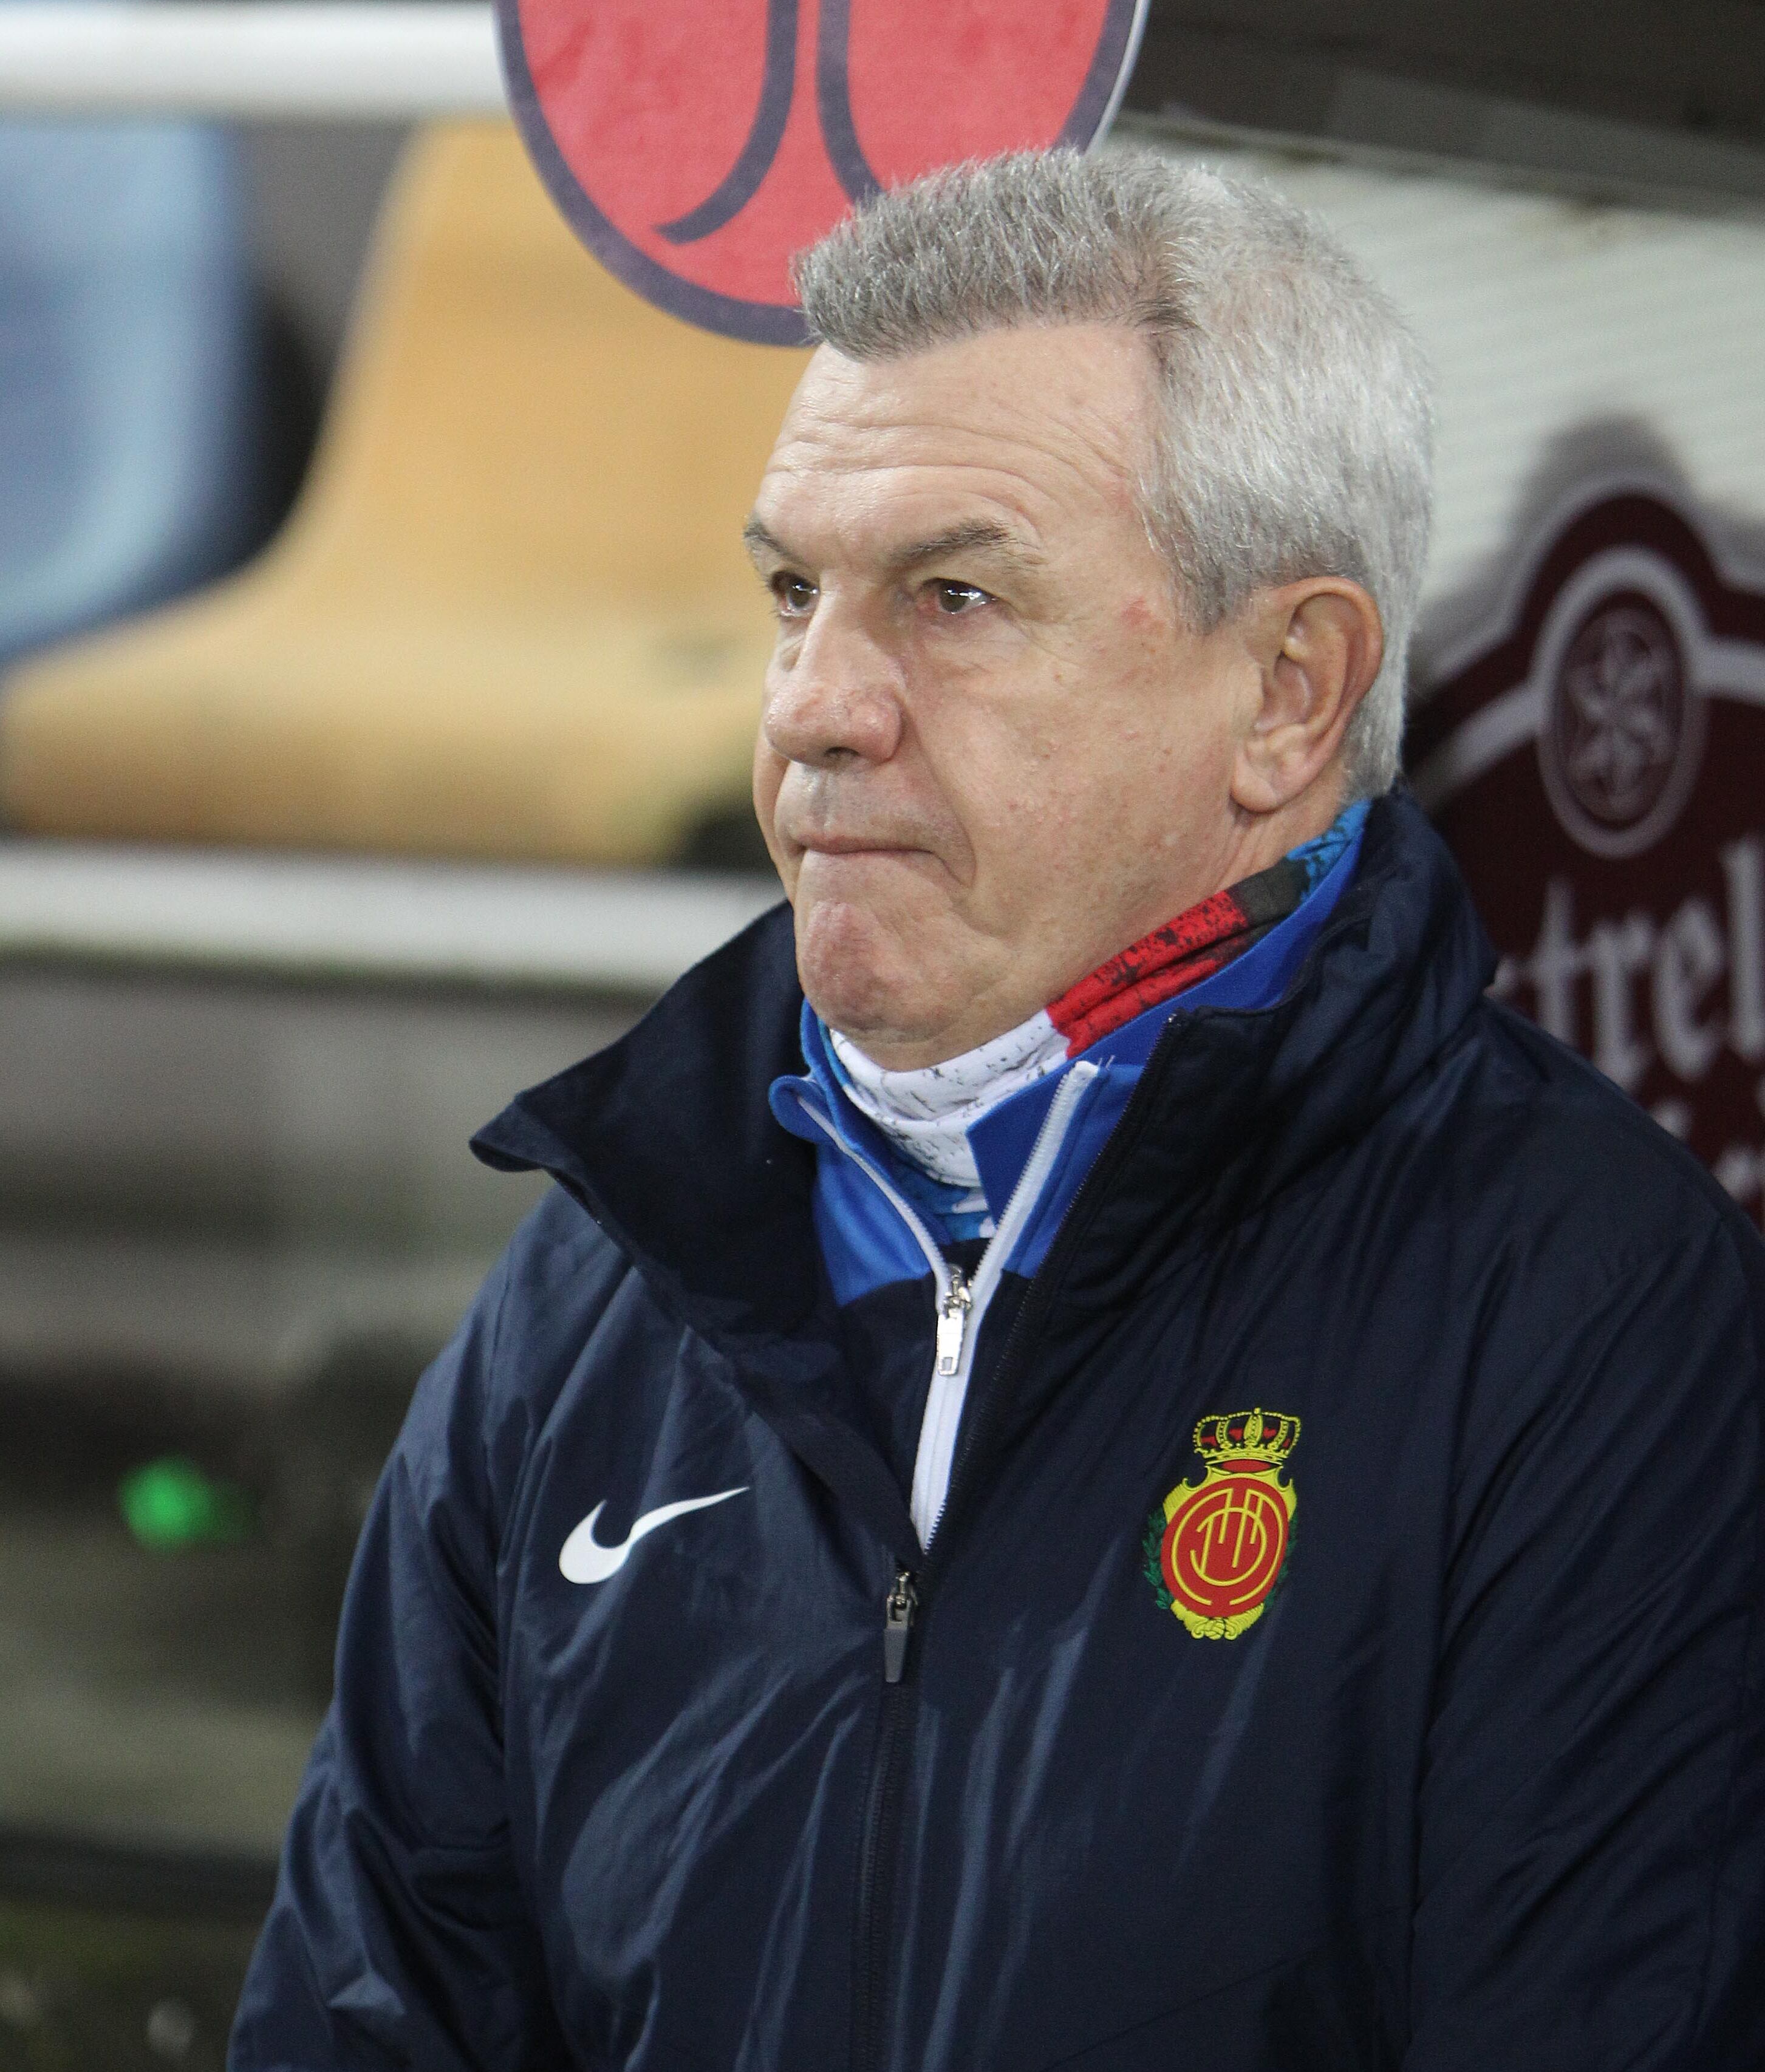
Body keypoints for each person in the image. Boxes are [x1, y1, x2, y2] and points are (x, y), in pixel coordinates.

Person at [230, 151, 1765, 2071]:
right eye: (795, 591)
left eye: (950, 597)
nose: (812, 706)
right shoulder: (604, 1278)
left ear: (1289, 693)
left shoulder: (1583, 1312)